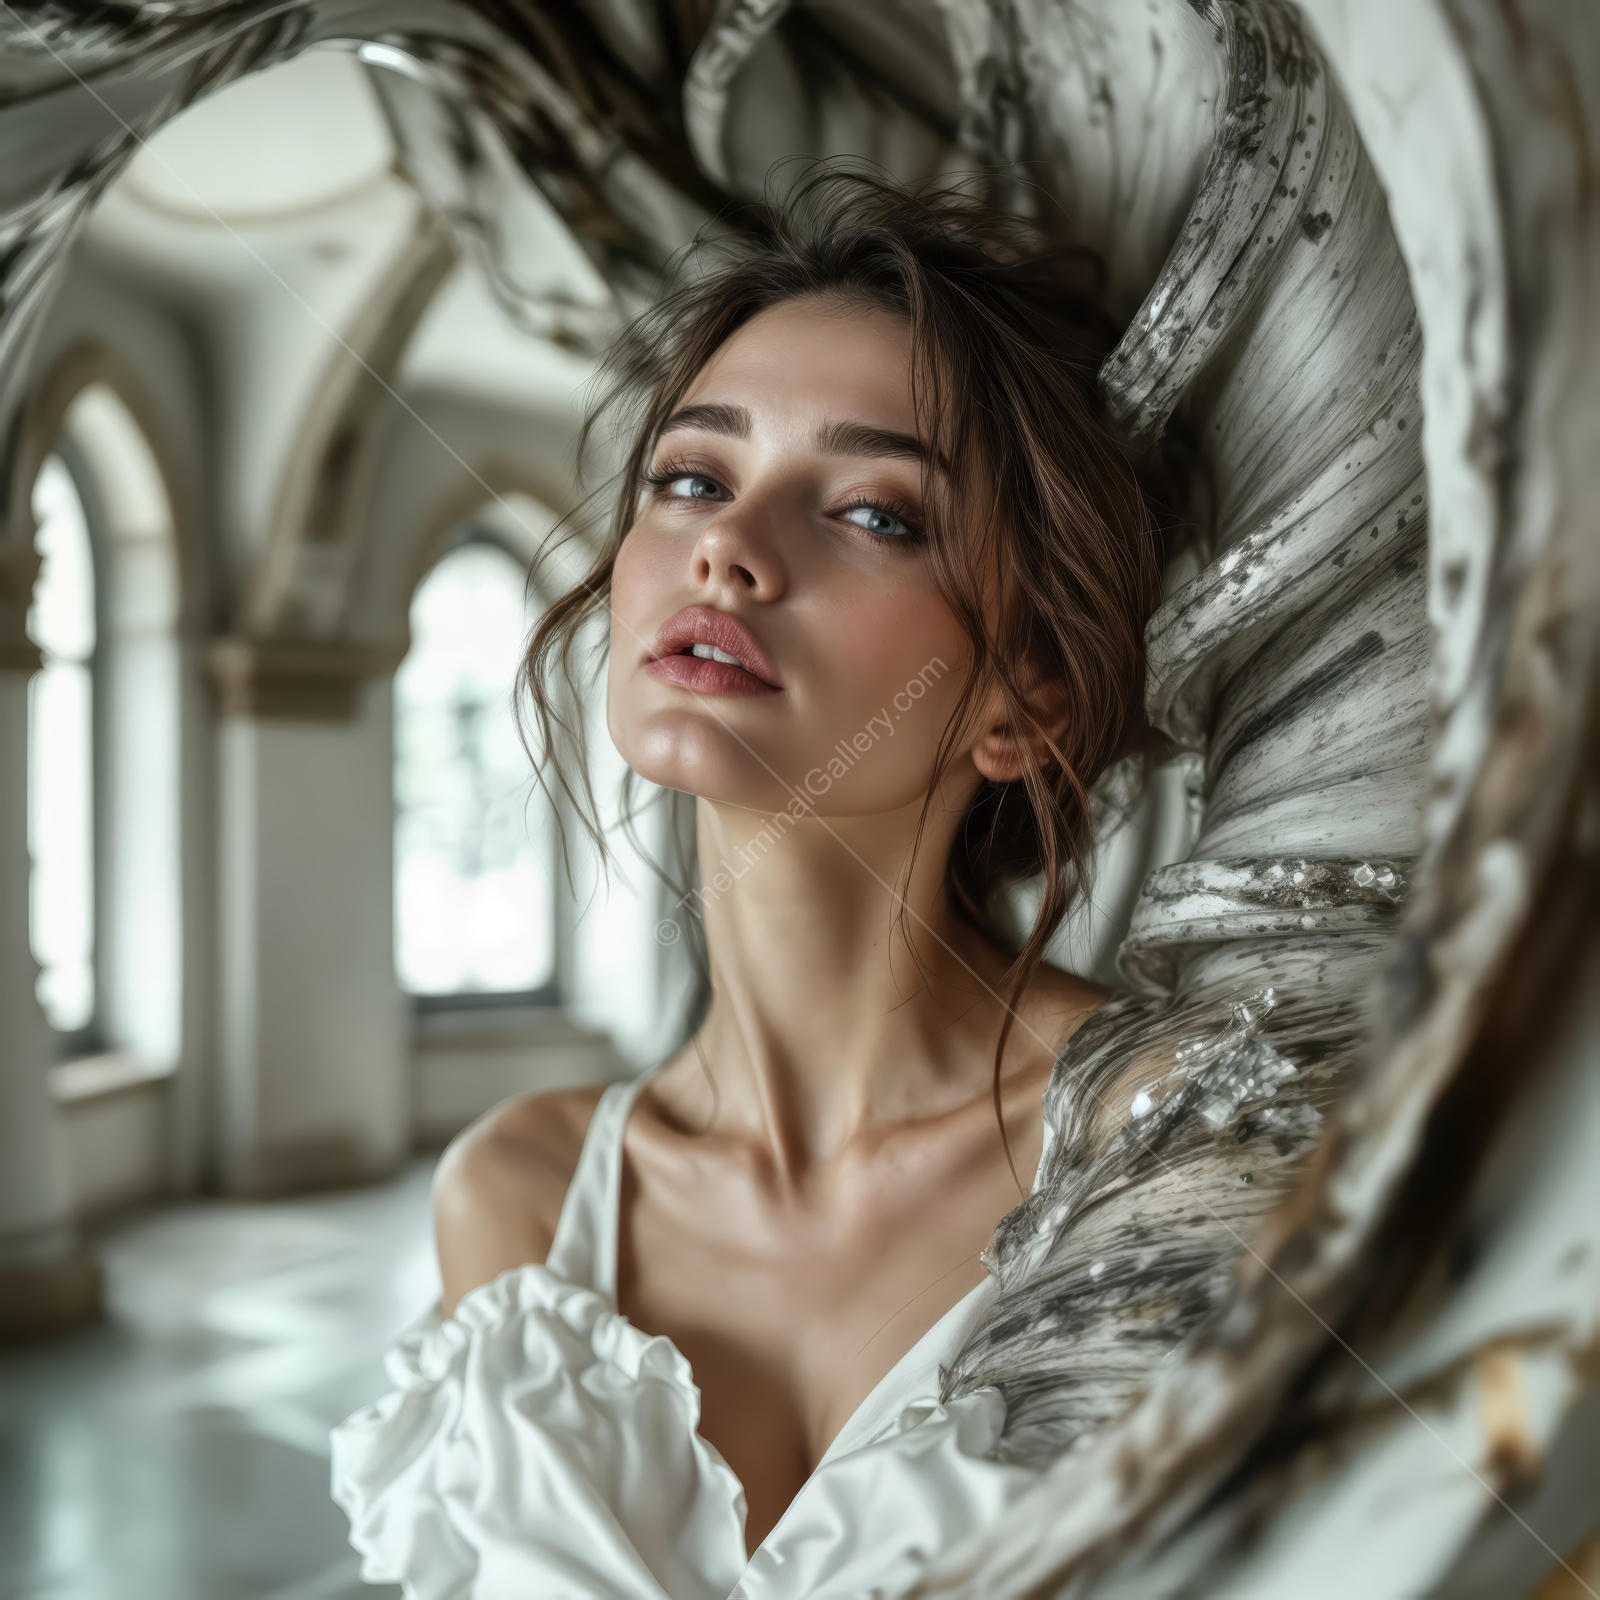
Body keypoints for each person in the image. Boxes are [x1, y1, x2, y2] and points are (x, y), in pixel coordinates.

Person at [332, 170, 1162, 1599]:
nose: (728, 543)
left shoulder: (1162, 1140)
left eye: (876, 513)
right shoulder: (519, 1201)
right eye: (695, 478)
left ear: (1021, 701)